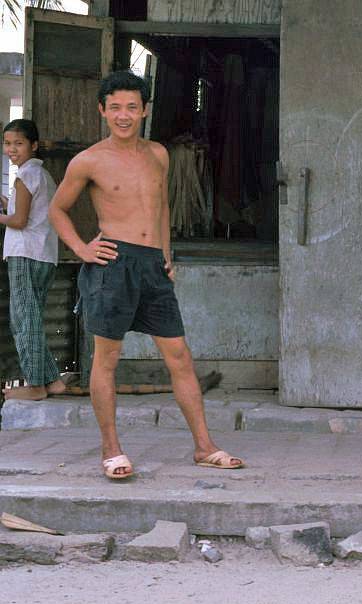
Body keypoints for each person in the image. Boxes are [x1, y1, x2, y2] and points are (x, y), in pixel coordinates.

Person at [48, 71, 243, 480]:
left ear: (145, 110)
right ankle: (111, 450)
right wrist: (82, 249)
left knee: (180, 356)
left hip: (153, 266)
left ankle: (204, 447)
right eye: (115, 107)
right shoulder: (89, 160)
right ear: (102, 110)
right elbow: (56, 209)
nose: (124, 115)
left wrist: (166, 254)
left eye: (132, 107)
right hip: (114, 264)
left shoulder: (158, 154)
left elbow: (161, 207)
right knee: (107, 360)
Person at [0, 119, 66, 400]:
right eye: (7, 143)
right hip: (42, 254)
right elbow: (27, 212)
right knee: (32, 319)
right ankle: (52, 380)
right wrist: (7, 204)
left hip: (25, 253)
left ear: (33, 145)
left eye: (18, 143)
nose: (11, 149)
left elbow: (18, 221)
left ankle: (36, 386)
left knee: (23, 320)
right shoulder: (41, 175)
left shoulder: (25, 176)